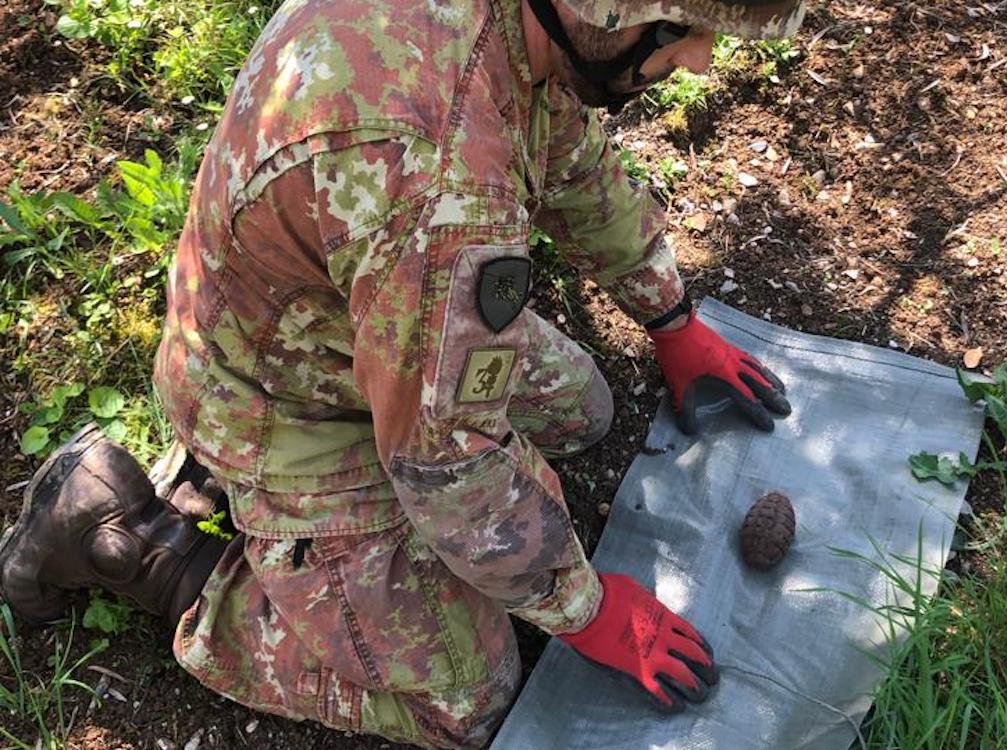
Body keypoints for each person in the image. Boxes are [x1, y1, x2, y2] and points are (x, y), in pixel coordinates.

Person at [0, 0, 802, 746]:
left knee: (580, 411)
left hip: (328, 322)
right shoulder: (444, 187)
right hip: (279, 403)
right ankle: (145, 549)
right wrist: (586, 611)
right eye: (681, 29)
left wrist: (671, 317)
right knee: (469, 697)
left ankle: (265, 511)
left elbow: (566, 154)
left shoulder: (517, 30)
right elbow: (446, 465)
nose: (699, 60)